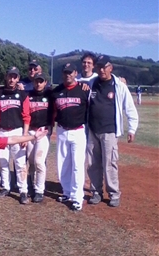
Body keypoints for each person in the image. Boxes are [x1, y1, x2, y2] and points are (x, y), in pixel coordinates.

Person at [87, 55, 139, 207]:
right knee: (93, 164)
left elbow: (130, 108)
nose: (102, 70)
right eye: (99, 67)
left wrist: (132, 128)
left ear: (111, 68)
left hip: (109, 131)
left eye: (105, 67)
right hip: (92, 130)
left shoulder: (119, 86)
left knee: (110, 163)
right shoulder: (91, 83)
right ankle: (96, 192)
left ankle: (114, 194)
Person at [51, 63, 89, 211]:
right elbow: (53, 112)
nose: (68, 75)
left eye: (70, 72)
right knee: (63, 164)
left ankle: (77, 197)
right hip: (61, 130)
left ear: (75, 73)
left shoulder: (84, 90)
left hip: (78, 131)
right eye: (65, 72)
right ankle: (67, 192)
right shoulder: (57, 91)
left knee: (78, 165)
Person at [0, 66, 31, 204]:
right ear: (6, 77)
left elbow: (26, 116)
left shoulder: (23, 95)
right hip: (2, 132)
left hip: (17, 131)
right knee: (3, 162)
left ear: (18, 78)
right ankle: (6, 187)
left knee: (20, 163)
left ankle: (23, 190)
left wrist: (25, 135)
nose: (12, 79)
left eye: (15, 77)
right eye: (10, 76)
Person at [26, 73, 52, 202]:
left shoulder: (50, 95)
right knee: (31, 162)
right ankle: (32, 184)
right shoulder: (28, 95)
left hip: (43, 132)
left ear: (45, 82)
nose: (38, 84)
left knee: (39, 162)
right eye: (36, 81)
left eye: (41, 81)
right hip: (31, 132)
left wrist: (48, 129)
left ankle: (39, 190)